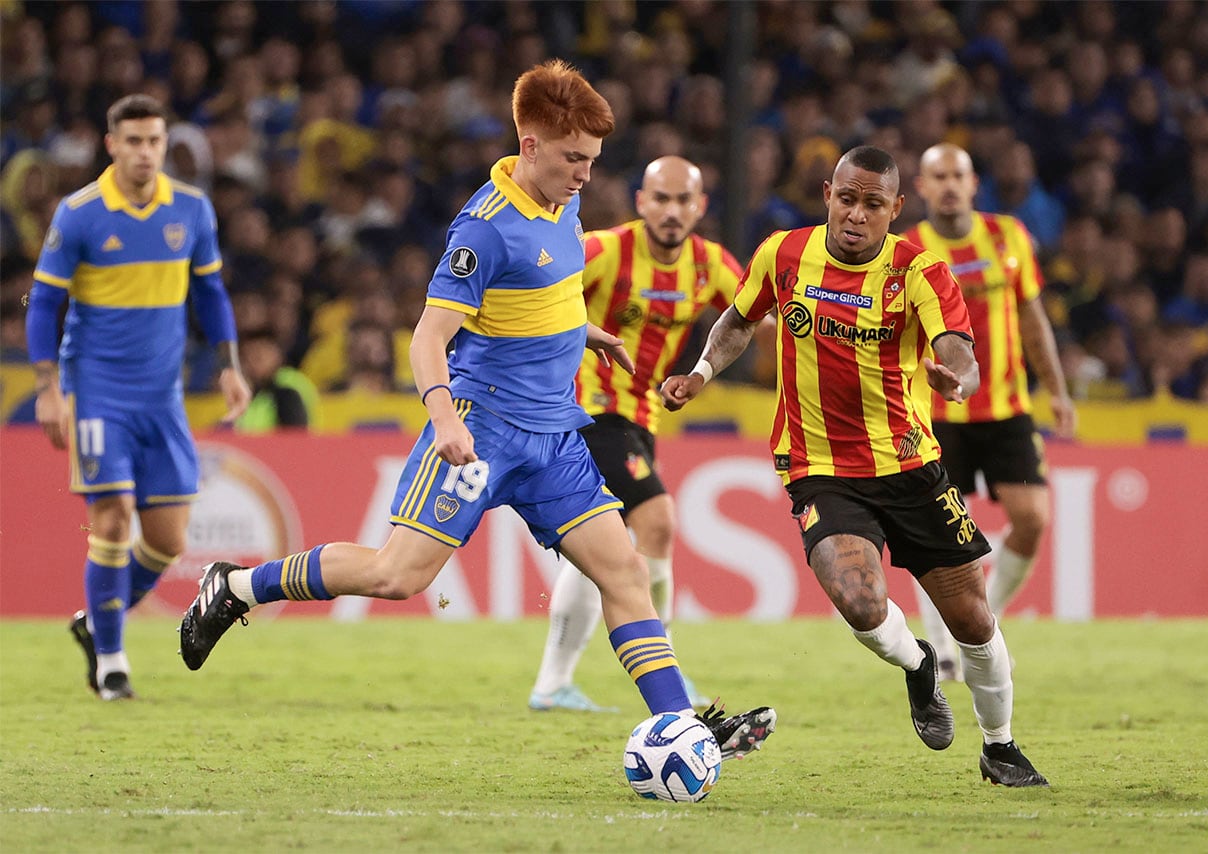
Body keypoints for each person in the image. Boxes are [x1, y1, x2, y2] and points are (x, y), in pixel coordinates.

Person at [178, 61, 775, 757]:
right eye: (574, 159)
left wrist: (580, 331)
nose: (586, 175)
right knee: (394, 576)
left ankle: (679, 723)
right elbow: (428, 337)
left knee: (625, 570)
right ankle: (236, 586)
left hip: (555, 435)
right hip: (482, 428)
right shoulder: (484, 230)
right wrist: (444, 419)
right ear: (531, 147)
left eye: (592, 160)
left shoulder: (564, 203)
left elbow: (538, 290)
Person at [661, 145, 1049, 787]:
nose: (856, 215)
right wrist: (701, 372)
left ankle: (999, 745)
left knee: (974, 618)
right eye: (847, 199)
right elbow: (737, 320)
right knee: (861, 602)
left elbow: (959, 351)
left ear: (895, 209)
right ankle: (920, 665)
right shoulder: (782, 254)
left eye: (873, 205)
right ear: (828, 195)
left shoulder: (922, 272)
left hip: (909, 465)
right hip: (818, 465)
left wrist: (957, 379)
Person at [26, 94, 252, 701]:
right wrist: (49, 387)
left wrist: (229, 365)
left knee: (170, 541)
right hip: (98, 391)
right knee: (114, 516)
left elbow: (211, 295)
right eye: (133, 142)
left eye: (154, 141)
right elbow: (44, 302)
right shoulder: (80, 214)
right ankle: (111, 660)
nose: (145, 153)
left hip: (163, 395)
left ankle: (94, 623)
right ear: (111, 145)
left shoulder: (191, 210)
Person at [528, 155, 747, 712]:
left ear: (700, 207)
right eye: (661, 199)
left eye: (684, 201)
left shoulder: (709, 265)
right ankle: (667, 665)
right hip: (588, 412)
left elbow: (755, 313)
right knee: (657, 520)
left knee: (596, 546)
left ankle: (553, 684)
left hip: (641, 419)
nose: (672, 211)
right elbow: (541, 290)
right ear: (641, 202)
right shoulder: (607, 251)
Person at [903, 143, 1077, 681]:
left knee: (1032, 519)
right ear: (924, 187)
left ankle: (985, 618)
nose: (950, 184)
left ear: (974, 183)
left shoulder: (1009, 237)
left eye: (958, 174)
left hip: (1005, 408)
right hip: (934, 414)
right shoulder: (906, 250)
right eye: (939, 176)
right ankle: (943, 646)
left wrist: (1057, 388)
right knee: (932, 536)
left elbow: (1031, 316)